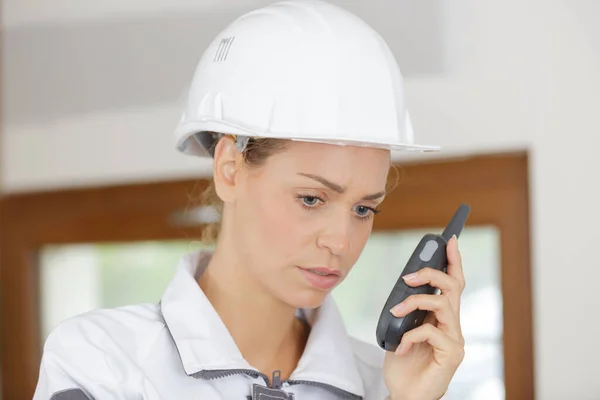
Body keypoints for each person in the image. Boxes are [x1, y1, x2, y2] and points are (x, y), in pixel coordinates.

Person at [34, 0, 466, 399]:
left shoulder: (384, 381)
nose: (341, 241)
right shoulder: (101, 362)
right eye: (312, 199)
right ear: (229, 169)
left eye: (362, 209)